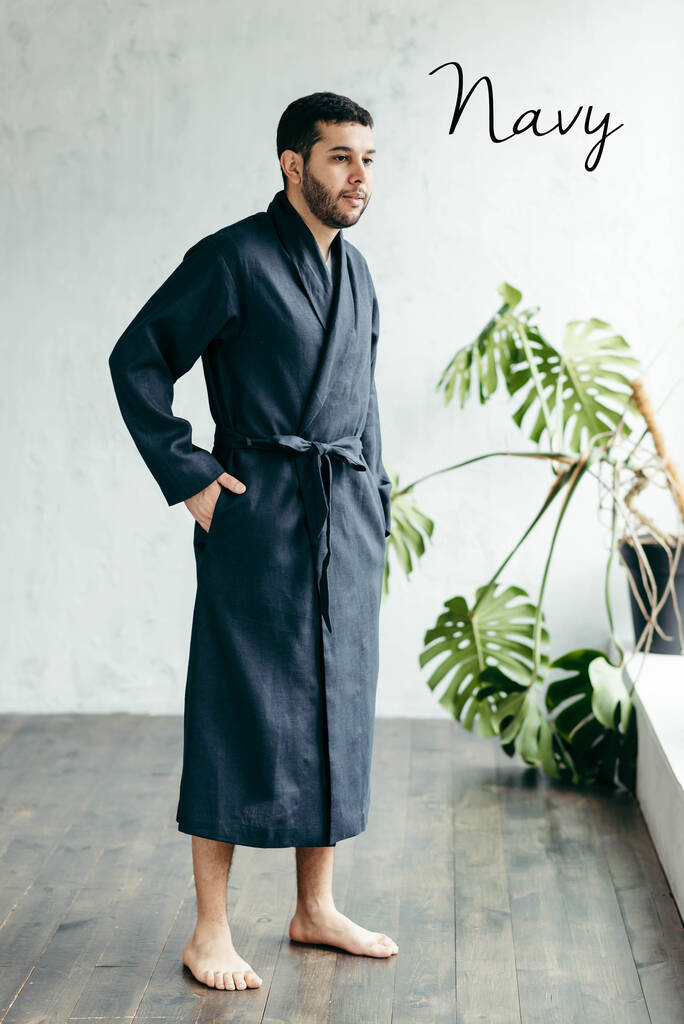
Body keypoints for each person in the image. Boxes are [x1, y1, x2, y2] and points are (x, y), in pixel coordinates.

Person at [108, 91, 397, 991]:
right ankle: (210, 931)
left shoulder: (358, 275)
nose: (359, 176)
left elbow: (362, 402)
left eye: (369, 159)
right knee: (236, 709)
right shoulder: (231, 259)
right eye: (341, 157)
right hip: (261, 514)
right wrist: (190, 475)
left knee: (335, 706)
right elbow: (137, 356)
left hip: (344, 521)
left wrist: (377, 503)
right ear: (293, 164)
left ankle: (315, 908)